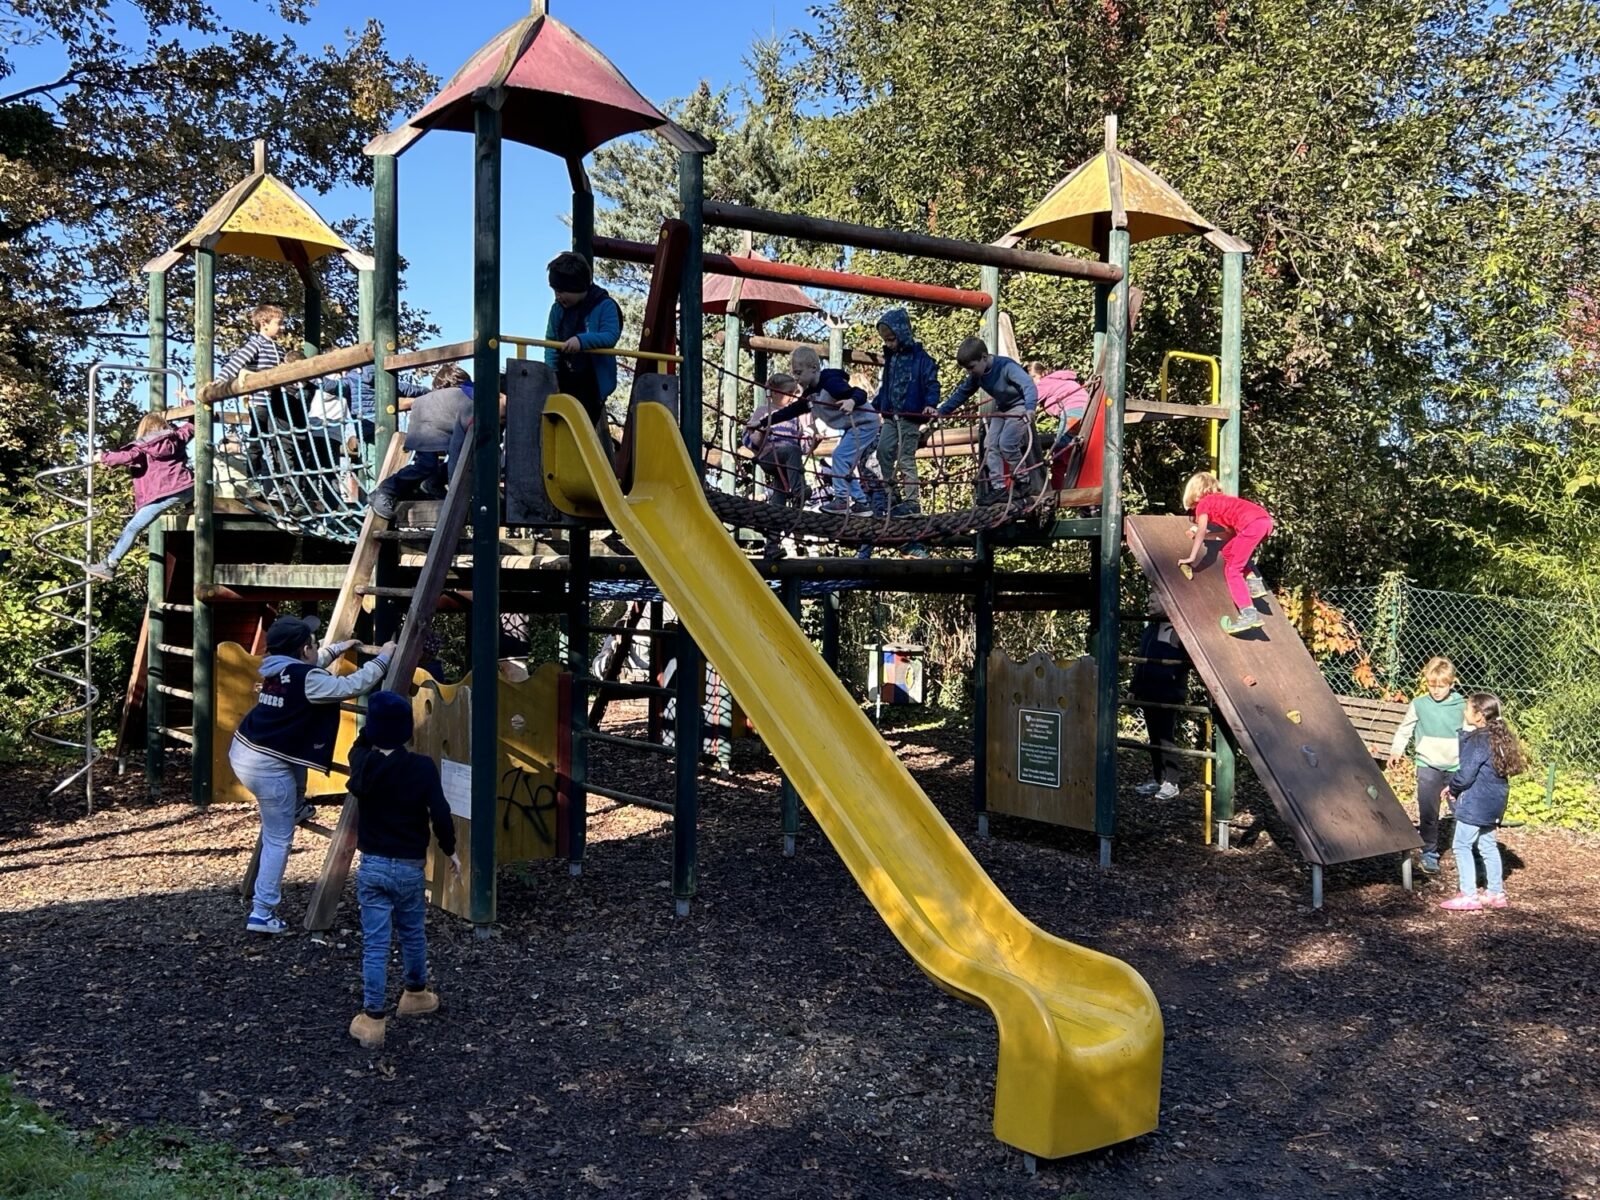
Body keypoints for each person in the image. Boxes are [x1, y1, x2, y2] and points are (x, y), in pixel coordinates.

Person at [229, 615, 395, 935]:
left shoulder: (275, 666)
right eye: (313, 644)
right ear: (304, 650)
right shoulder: (307, 678)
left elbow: (311, 664)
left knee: (296, 763)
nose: (316, 648)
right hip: (267, 765)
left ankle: (295, 807)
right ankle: (262, 912)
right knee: (278, 838)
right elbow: (351, 685)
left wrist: (338, 648)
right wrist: (384, 658)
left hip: (246, 750)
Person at [346, 690, 460, 1049]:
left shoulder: (361, 762)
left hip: (373, 866)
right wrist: (450, 849)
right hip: (410, 866)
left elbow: (361, 742)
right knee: (412, 931)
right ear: (407, 730)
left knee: (375, 943)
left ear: (372, 729)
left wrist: (371, 730)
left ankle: (373, 1019)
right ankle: (415, 993)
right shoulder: (421, 767)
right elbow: (440, 813)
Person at [766, 346, 881, 514]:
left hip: (865, 422)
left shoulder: (831, 383)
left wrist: (851, 401)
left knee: (840, 457)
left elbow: (859, 392)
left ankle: (842, 500)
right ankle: (861, 502)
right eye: (794, 374)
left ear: (813, 368)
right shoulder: (810, 395)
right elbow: (790, 411)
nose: (796, 378)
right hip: (852, 426)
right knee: (842, 462)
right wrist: (764, 422)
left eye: (798, 373)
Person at [1439, 691, 1527, 911]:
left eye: (1468, 708)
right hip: (1495, 801)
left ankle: (1468, 894)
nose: (1464, 712)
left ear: (1479, 715)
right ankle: (1496, 893)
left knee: (1461, 845)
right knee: (1487, 845)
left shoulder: (1479, 740)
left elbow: (1466, 773)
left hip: (1476, 802)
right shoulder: (1498, 738)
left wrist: (1454, 788)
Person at [86, 413, 195, 580]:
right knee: (182, 493)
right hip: (188, 488)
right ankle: (190, 506)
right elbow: (193, 425)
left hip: (166, 493)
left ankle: (109, 565)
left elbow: (126, 457)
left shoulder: (143, 447)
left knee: (133, 527)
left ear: (144, 428)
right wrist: (187, 403)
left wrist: (101, 457)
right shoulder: (177, 437)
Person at [1387, 657, 1469, 876]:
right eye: (1432, 685)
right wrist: (1396, 750)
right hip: (1428, 764)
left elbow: (1471, 733)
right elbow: (1405, 729)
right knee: (1428, 811)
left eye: (1441, 686)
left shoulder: (1462, 706)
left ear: (1451, 683)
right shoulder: (1419, 704)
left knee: (1461, 811)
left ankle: (1464, 852)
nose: (1436, 690)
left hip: (1455, 767)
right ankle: (1429, 854)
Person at [934, 337, 1039, 502]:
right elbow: (962, 393)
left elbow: (1028, 384)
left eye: (971, 367)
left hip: (1019, 407)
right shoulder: (977, 375)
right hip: (1002, 408)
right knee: (990, 445)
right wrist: (941, 412)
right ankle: (998, 488)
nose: (970, 372)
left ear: (984, 357)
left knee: (1007, 444)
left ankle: (1023, 482)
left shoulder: (1006, 366)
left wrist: (1030, 408)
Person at [370, 364, 474, 520]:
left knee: (426, 465)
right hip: (435, 428)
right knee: (464, 460)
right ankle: (386, 490)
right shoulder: (467, 396)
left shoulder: (432, 399)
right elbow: (457, 453)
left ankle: (430, 483)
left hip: (421, 428)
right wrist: (455, 490)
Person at [1177, 471, 1273, 635]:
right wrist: (1205, 536)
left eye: (1193, 511)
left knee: (1232, 570)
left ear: (1195, 494)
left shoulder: (1204, 504)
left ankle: (1249, 614)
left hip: (1251, 524)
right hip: (1263, 522)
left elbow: (1201, 530)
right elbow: (1228, 535)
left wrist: (1191, 557)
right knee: (1228, 550)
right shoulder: (1223, 503)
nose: (1195, 513)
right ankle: (1252, 580)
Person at [543, 251, 622, 436]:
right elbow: (551, 342)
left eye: (561, 291)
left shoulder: (605, 305)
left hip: (592, 382)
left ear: (577, 287)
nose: (557, 296)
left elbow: (610, 335)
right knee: (556, 417)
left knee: (582, 423)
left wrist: (581, 341)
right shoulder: (557, 310)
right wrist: (551, 372)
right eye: (555, 291)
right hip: (565, 376)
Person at [214, 304, 287, 501]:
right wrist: (219, 381)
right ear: (264, 324)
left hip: (277, 404)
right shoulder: (256, 344)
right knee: (257, 442)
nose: (282, 328)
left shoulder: (280, 349)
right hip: (260, 402)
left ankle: (277, 486)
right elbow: (236, 363)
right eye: (278, 324)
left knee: (277, 444)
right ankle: (255, 481)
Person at [872, 309, 941, 517]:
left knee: (905, 457)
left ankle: (912, 501)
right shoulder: (891, 359)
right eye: (886, 340)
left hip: (910, 417)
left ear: (902, 334)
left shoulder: (921, 359)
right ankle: (891, 494)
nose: (889, 344)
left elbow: (932, 384)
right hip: (890, 415)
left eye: (892, 339)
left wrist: (930, 404)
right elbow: (886, 387)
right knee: (882, 451)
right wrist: (875, 405)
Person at [1130, 596, 1192, 800]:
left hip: (1168, 692)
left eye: (1153, 601)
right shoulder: (1150, 629)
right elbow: (1141, 660)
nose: (1149, 604)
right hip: (1149, 690)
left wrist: (1173, 677)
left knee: (1165, 736)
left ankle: (1172, 781)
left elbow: (1188, 660)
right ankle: (1158, 778)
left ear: (1166, 602)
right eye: (1148, 600)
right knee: (1154, 737)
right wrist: (1134, 687)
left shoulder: (1178, 629)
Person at [743, 372, 806, 509]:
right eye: (789, 392)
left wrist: (813, 441)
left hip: (786, 460)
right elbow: (751, 440)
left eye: (794, 392)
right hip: (769, 457)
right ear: (776, 393)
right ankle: (799, 491)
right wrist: (762, 434)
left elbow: (801, 445)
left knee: (781, 482)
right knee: (791, 451)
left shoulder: (793, 415)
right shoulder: (763, 411)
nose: (792, 396)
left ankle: (778, 511)